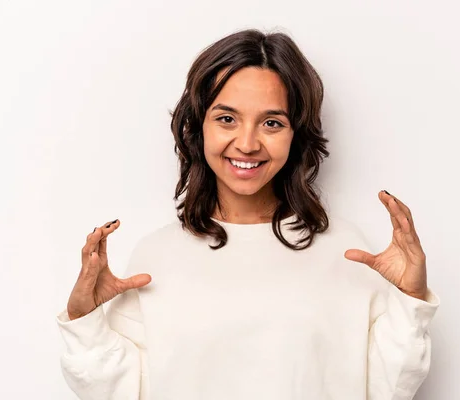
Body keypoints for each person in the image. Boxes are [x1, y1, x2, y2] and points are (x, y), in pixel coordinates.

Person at [56, 29, 440, 400]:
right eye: (227, 118)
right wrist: (83, 322)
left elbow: (387, 390)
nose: (247, 143)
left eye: (272, 123)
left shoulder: (346, 251)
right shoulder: (156, 256)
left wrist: (410, 299)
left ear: (296, 134)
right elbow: (119, 393)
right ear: (198, 126)